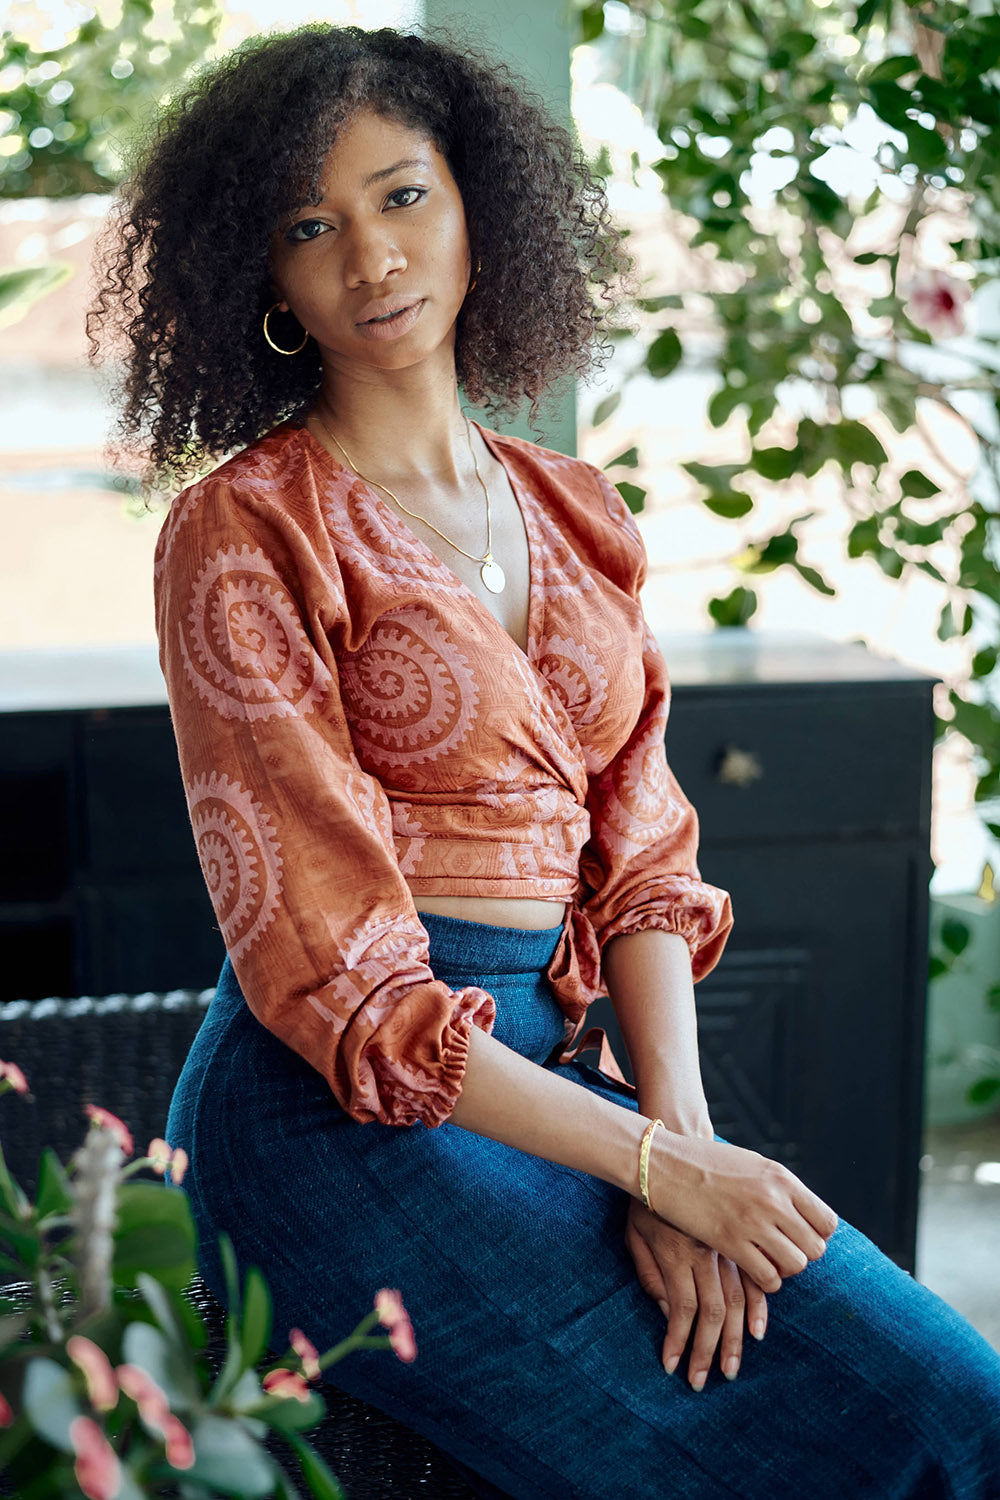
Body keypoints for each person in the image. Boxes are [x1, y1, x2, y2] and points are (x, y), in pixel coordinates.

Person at [87, 22, 1000, 1499]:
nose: (370, 259)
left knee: (956, 1397)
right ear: (259, 273)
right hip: (339, 1121)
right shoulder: (247, 531)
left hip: (561, 1086)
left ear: (477, 206)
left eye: (402, 196)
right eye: (310, 227)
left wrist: (679, 1148)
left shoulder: (574, 510)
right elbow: (343, 979)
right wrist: (644, 1165)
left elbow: (642, 865)